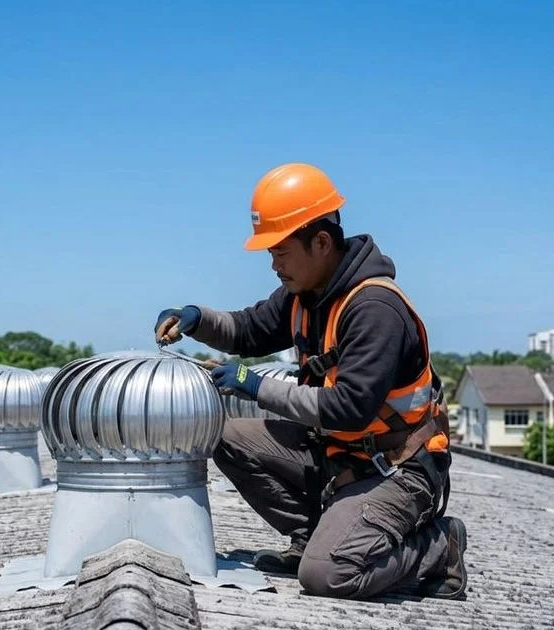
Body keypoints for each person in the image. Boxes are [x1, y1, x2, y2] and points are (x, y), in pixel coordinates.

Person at [153, 162, 467, 601]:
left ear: (321, 242)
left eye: (281, 252)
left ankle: (438, 546)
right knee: (223, 436)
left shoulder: (375, 308)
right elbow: (247, 329)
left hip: (397, 470)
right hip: (339, 457)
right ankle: (315, 536)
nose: (274, 264)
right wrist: (195, 319)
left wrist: (254, 384)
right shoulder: (304, 295)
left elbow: (350, 409)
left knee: (327, 576)